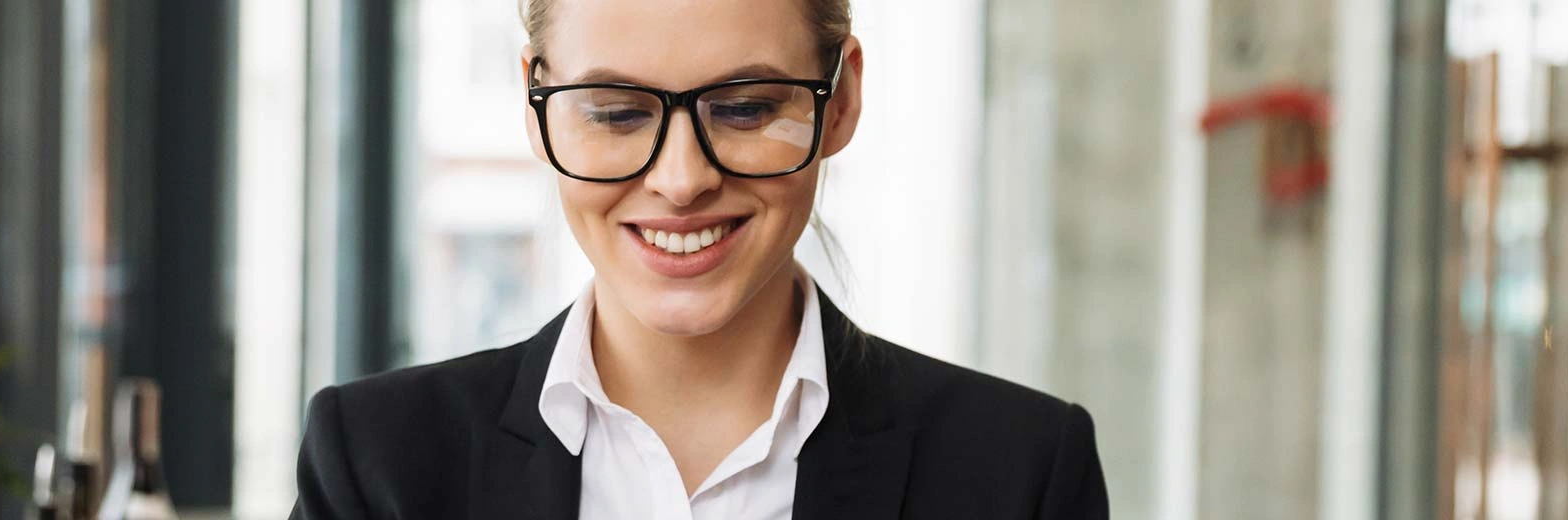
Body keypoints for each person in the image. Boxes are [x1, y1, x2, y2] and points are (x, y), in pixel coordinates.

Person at [292, 0, 1108, 517]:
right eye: (614, 115)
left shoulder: (1020, 474)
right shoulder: (378, 465)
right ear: (537, 112)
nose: (681, 180)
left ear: (842, 101)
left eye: (747, 108)